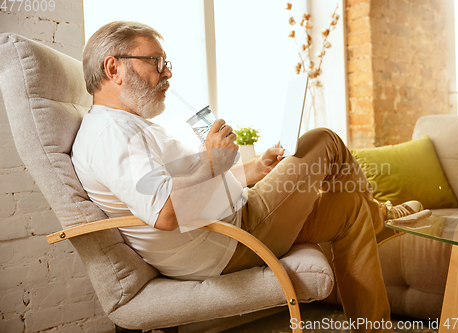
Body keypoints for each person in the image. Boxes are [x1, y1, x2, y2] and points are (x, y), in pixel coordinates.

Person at [73, 21, 425, 332]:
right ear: (113, 68)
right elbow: (166, 211)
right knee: (324, 141)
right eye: (156, 62)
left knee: (349, 209)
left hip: (235, 223)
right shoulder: (113, 134)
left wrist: (254, 170)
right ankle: (383, 218)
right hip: (231, 239)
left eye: (167, 63)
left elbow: (188, 188)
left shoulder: (131, 128)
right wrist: (212, 162)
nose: (167, 73)